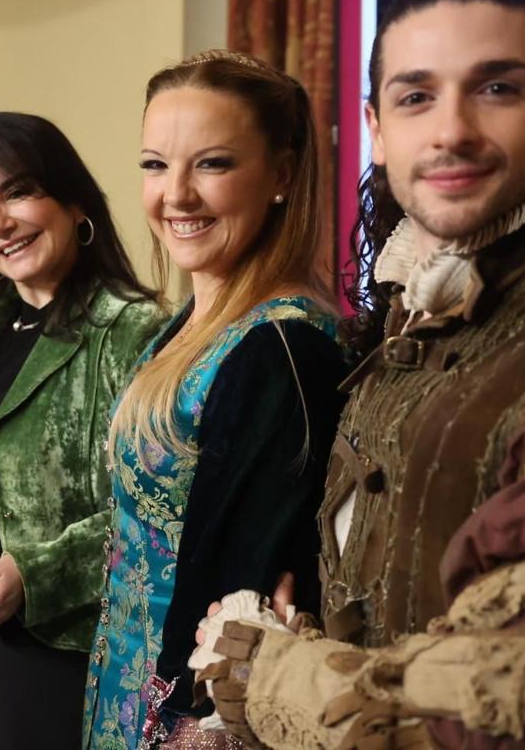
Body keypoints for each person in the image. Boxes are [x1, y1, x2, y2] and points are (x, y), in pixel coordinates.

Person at [195, 0, 525, 749]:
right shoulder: (408, 319)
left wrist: (267, 672)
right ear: (376, 127)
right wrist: (301, 631)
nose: (452, 130)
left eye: (497, 87)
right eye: (416, 96)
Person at [82, 50, 349, 748]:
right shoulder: (195, 321)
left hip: (187, 720)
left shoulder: (282, 350)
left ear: (283, 175)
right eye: (154, 164)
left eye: (212, 164)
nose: (176, 195)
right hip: (126, 682)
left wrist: (187, 726)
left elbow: (250, 585)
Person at [0, 111, 166, 748]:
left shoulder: (130, 329)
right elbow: (7, 464)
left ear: (73, 199)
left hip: (84, 651)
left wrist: (34, 573)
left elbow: (157, 513)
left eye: (17, 192)